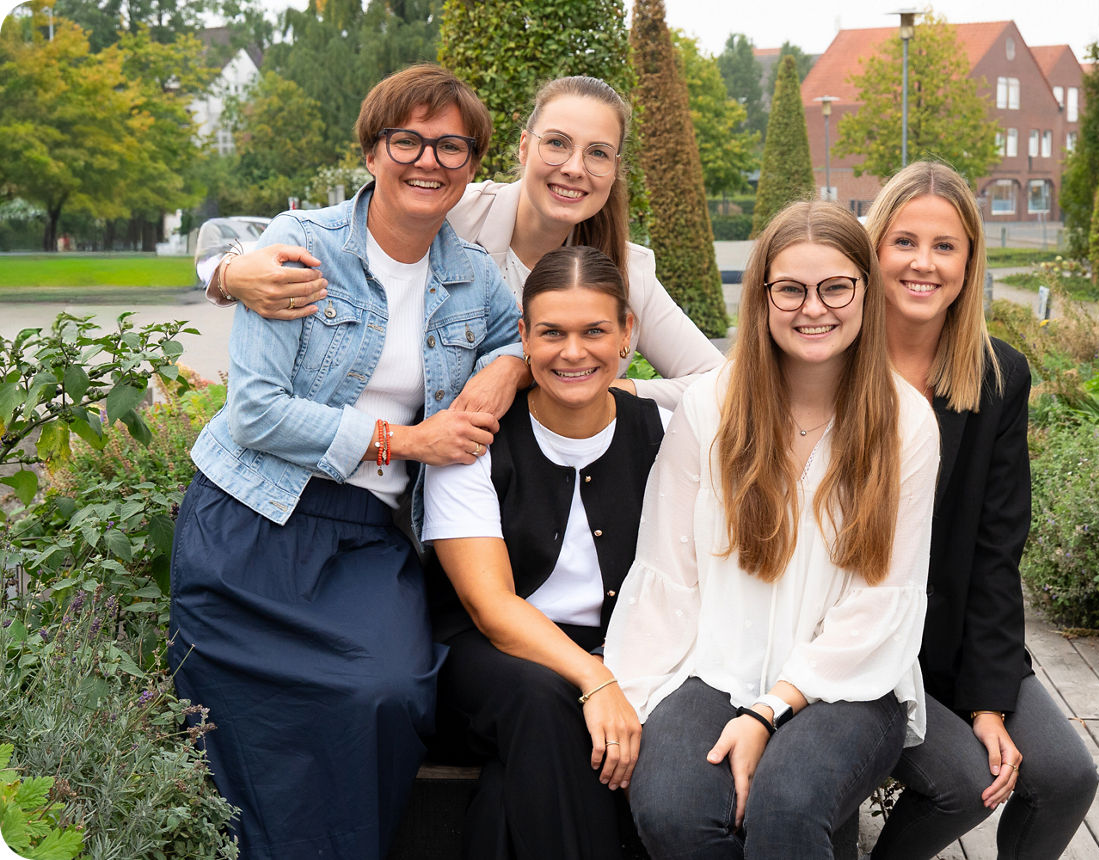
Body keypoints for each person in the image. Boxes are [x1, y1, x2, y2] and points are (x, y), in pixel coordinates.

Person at [168, 64, 527, 860]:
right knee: (243, 713)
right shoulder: (300, 247)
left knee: (390, 690)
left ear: (471, 170)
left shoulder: (474, 277)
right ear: (372, 152)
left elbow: (523, 333)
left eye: (451, 146)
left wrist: (507, 366)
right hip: (250, 521)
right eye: (408, 140)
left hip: (364, 534)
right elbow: (256, 414)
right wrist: (403, 442)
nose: (428, 161)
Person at [604, 200, 940, 860]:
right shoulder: (712, 407)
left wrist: (770, 710)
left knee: (786, 810)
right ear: (762, 297)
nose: (813, 308)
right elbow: (667, 573)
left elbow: (883, 603)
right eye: (790, 288)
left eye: (835, 286)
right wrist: (635, 702)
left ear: (865, 293)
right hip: (711, 664)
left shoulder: (905, 424)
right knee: (673, 810)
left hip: (847, 682)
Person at [205, 75, 723, 411]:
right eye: (558, 143)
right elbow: (335, 236)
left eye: (598, 153)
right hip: (439, 475)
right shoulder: (450, 206)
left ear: (614, 170)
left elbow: (715, 381)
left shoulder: (626, 269)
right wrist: (229, 272)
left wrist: (600, 387)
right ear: (524, 147)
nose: (573, 168)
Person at [864, 161, 1098, 860]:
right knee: (962, 782)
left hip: (957, 637)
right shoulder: (834, 364)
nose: (923, 264)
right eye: (904, 242)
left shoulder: (998, 376)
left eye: (945, 246)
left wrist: (989, 704)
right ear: (874, 249)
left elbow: (998, 552)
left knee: (1064, 777)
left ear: (969, 260)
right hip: (861, 645)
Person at [421, 245, 667, 859]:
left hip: (620, 647)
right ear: (524, 338)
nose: (573, 352)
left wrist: (613, 669)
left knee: (520, 776)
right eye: (552, 332)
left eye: (595, 331)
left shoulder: (660, 430)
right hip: (486, 658)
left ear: (626, 334)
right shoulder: (474, 439)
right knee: (542, 697)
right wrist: (593, 677)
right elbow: (490, 608)